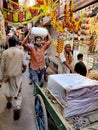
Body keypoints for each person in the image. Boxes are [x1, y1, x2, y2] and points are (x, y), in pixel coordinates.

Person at [0, 36, 27, 120]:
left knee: (8, 90)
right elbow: (25, 64)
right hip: (17, 75)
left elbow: (2, 66)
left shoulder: (5, 53)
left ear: (8, 43)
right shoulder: (21, 52)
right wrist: (23, 70)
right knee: (18, 91)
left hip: (7, 76)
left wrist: (0, 77)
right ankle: (17, 107)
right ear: (16, 43)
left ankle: (9, 102)